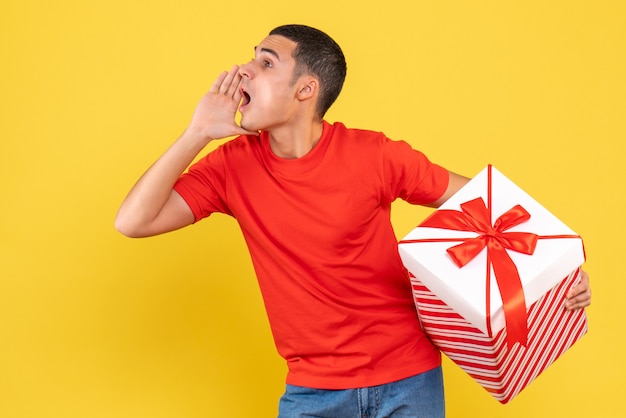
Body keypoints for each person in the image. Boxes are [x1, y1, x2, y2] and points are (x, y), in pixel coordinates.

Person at [115, 24, 592, 418]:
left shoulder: (374, 155)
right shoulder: (230, 168)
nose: (244, 69)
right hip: (312, 392)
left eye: (266, 62)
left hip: (410, 380)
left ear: (306, 89)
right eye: (251, 58)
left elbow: (488, 204)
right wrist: (197, 132)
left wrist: (554, 273)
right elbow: (132, 222)